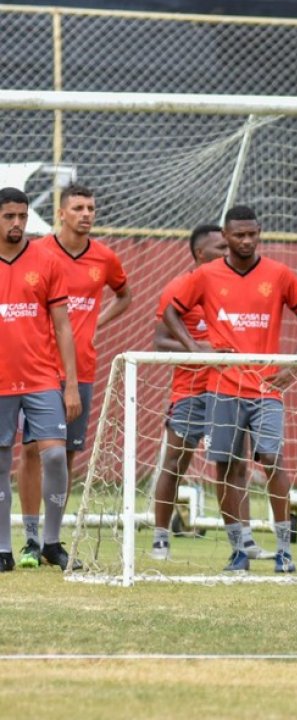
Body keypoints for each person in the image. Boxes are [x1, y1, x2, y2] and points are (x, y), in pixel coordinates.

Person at [163, 206, 297, 574]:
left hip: (266, 387)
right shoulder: (205, 275)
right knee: (228, 467)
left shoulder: (279, 274)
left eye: (253, 234)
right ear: (227, 236)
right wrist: (195, 351)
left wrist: (294, 365)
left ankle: (284, 550)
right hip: (222, 386)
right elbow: (172, 312)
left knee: (271, 460)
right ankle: (239, 550)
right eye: (239, 236)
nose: (247, 241)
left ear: (259, 232)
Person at [17, 183, 130, 570]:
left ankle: (52, 540)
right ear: (61, 213)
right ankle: (30, 538)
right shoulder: (38, 254)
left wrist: (99, 321)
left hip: (80, 369)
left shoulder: (105, 258)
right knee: (32, 450)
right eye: (78, 207)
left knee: (64, 456)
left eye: (92, 208)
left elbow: (125, 294)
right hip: (35, 368)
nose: (87, 214)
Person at [149, 224, 264, 562]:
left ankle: (242, 542)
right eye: (219, 248)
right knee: (174, 463)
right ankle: (160, 537)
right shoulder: (180, 288)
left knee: (233, 468)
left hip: (229, 391)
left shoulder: (234, 286)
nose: (228, 252)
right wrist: (203, 349)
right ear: (201, 254)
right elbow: (159, 341)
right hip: (191, 391)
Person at [0, 187, 82, 572]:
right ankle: (3, 548)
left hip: (42, 379)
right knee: (1, 463)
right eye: (8, 216)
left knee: (54, 454)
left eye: (22, 215)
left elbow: (63, 328)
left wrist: (70, 383)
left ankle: (51, 542)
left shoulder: (47, 261)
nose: (17, 223)